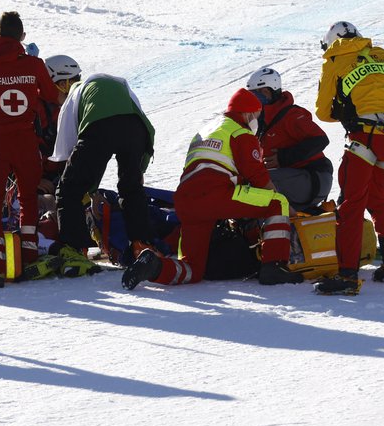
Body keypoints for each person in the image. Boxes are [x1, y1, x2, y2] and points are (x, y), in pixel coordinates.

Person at [122, 88, 302, 290]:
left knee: (192, 268)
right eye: (257, 117)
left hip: (186, 201)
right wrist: (288, 210)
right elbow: (259, 178)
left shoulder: (207, 130)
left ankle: (154, 267)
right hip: (215, 195)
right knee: (277, 202)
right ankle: (274, 266)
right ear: (248, 113)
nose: (257, 123)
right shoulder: (239, 131)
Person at [313, 21, 384, 295]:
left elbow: (323, 112)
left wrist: (349, 111)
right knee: (378, 199)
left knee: (351, 205)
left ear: (331, 42)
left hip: (364, 138)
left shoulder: (334, 61)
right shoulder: (383, 55)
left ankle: (348, 276)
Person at [0, 11, 59, 273]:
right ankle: (29, 253)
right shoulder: (34, 64)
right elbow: (51, 94)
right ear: (22, 37)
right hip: (27, 142)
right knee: (29, 197)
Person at [48, 58, 156, 274]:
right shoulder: (118, 81)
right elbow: (142, 123)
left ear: (62, 84)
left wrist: (84, 189)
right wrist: (139, 169)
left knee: (68, 189)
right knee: (131, 189)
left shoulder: (75, 93)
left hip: (100, 127)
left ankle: (75, 250)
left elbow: (67, 151)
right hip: (136, 128)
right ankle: (140, 246)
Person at [246, 66, 333, 212]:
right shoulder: (262, 122)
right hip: (294, 179)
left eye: (255, 96)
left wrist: (284, 157)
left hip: (314, 178)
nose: (253, 101)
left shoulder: (290, 116)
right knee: (249, 184)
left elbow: (320, 139)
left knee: (259, 184)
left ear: (267, 92)